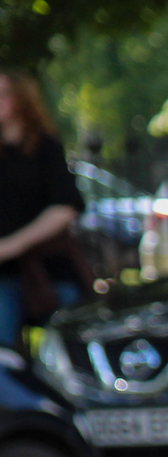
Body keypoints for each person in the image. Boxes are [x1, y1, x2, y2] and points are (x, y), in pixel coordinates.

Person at [0, 70, 82, 350]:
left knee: (64, 351)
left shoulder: (46, 148)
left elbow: (65, 207)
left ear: (21, 100)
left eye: (2, 94)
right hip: (4, 276)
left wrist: (12, 245)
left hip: (50, 271)